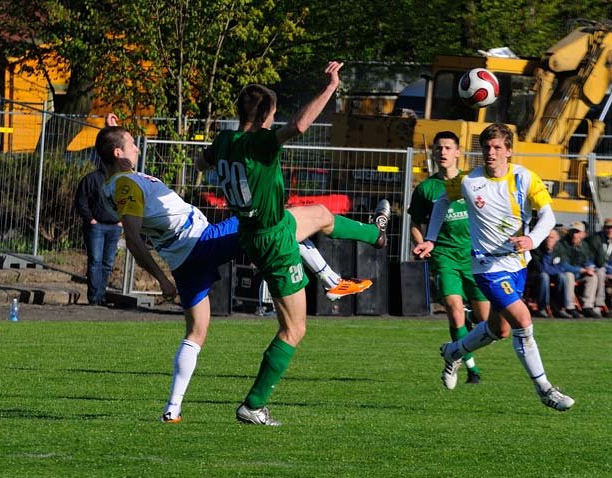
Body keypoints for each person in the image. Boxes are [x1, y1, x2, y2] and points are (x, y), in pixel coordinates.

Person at [97, 114, 374, 425]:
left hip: (183, 261)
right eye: (132, 144)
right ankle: (332, 280)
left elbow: (130, 182)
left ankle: (172, 409)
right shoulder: (124, 186)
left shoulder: (123, 180)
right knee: (272, 223)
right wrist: (159, 278)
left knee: (196, 332)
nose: (137, 148)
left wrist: (112, 131)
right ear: (118, 153)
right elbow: (132, 237)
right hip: (202, 241)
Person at [198, 61, 391, 426]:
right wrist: (331, 86)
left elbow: (199, 161)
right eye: (273, 114)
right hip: (272, 239)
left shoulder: (224, 141)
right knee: (294, 330)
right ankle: (252, 405)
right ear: (267, 115)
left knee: (320, 213)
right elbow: (300, 125)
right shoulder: (260, 142)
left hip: (262, 226)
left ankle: (376, 235)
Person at [414, 123, 574, 411]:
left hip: (517, 264)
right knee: (523, 323)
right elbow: (441, 203)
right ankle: (545, 389)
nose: (490, 152)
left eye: (497, 147)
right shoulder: (468, 180)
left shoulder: (525, 178)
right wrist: (431, 239)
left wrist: (531, 238)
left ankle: (453, 352)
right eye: (486, 147)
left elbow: (549, 215)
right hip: (487, 266)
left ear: (509, 151)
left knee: (499, 330)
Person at [408, 130, 490, 388]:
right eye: (438, 148)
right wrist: (422, 244)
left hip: (475, 256)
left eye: (447, 148)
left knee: (487, 323)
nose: (442, 152)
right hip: (444, 256)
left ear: (458, 152)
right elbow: (415, 222)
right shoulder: (426, 188)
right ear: (433, 152)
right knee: (454, 310)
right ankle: (471, 368)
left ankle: (465, 330)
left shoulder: (472, 182)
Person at [74, 163, 122, 306]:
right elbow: (81, 201)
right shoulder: (91, 179)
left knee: (107, 263)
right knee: (95, 261)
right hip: (97, 226)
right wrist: (91, 219)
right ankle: (94, 297)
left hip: (114, 226)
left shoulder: (120, 180)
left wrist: (121, 220)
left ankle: (101, 296)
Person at [554, 221, 602, 318]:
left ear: (583, 234)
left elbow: (588, 260)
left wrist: (590, 267)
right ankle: (570, 307)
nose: (574, 235)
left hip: (579, 274)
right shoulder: (562, 244)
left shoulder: (584, 246)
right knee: (569, 275)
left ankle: (588, 306)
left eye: (577, 232)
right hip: (565, 274)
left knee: (592, 277)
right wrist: (581, 270)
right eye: (573, 232)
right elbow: (563, 265)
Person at [587, 217, 612, 318]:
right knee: (601, 271)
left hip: (611, 269)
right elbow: (594, 259)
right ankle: (599, 304)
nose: (610, 230)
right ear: (603, 228)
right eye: (608, 228)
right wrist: (607, 270)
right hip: (597, 268)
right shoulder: (596, 239)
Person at [529, 229, 569, 318]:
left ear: (557, 239)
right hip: (536, 275)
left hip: (553, 273)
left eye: (551, 237)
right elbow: (541, 268)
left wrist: (552, 269)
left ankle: (560, 308)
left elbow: (562, 267)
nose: (549, 240)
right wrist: (548, 252)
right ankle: (542, 308)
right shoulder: (537, 249)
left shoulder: (560, 249)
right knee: (544, 276)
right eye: (547, 237)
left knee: (562, 277)